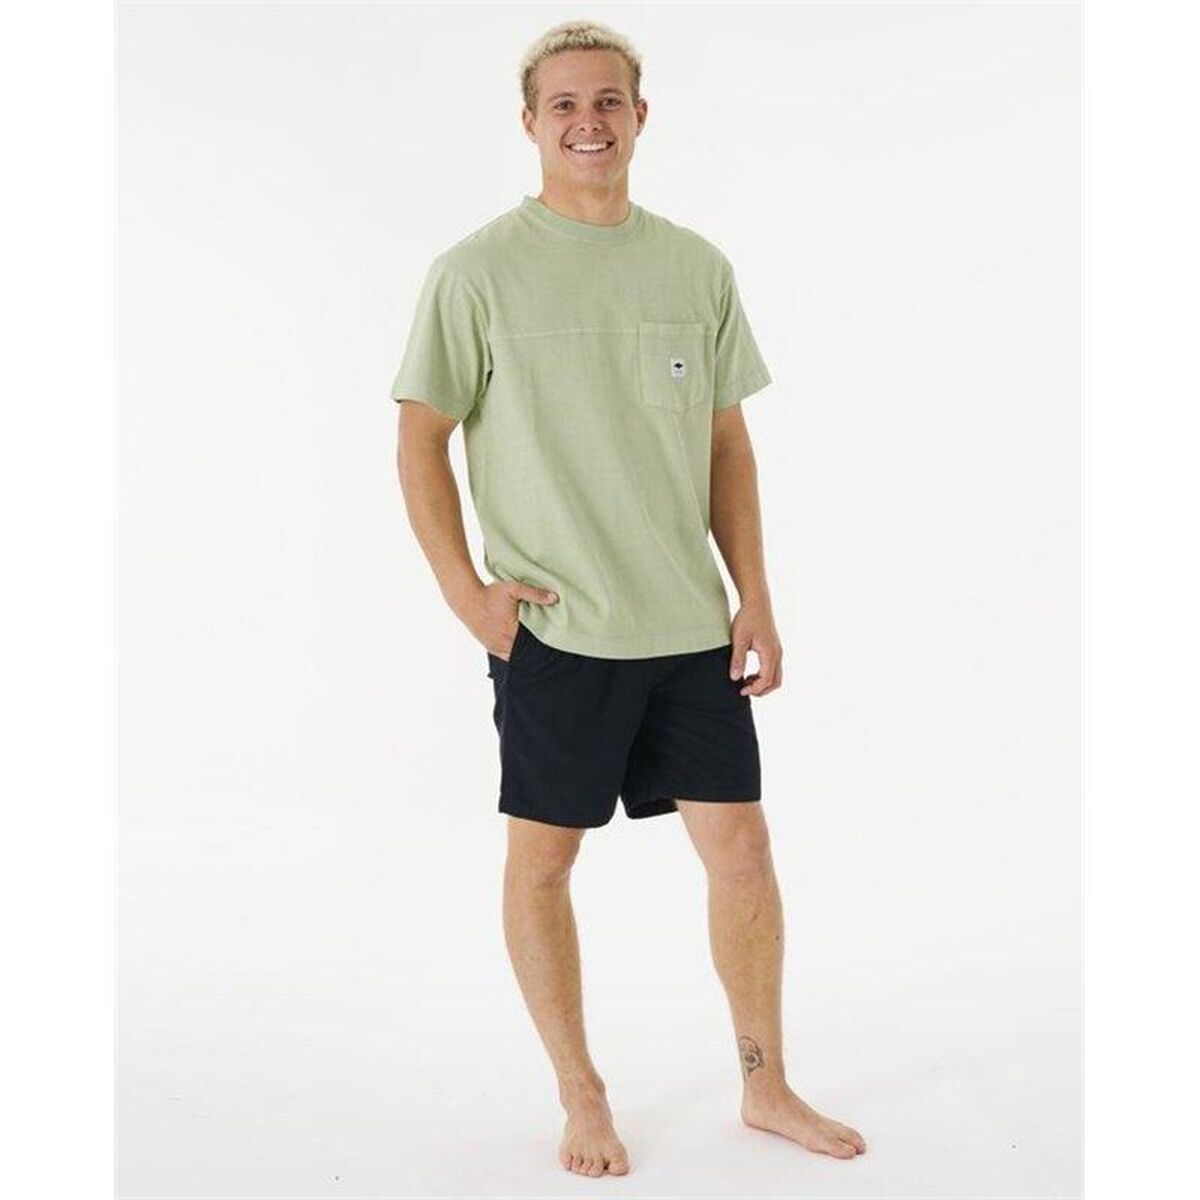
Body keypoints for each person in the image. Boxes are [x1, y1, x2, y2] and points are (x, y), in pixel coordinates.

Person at [391, 19, 866, 1178]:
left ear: (640, 116)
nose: (588, 121)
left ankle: (765, 1082)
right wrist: (468, 597)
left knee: (742, 849)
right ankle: (581, 1094)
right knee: (545, 864)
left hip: (689, 628)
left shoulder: (695, 268)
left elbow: (727, 445)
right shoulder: (475, 273)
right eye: (564, 105)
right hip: (557, 630)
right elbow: (419, 437)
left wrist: (754, 596)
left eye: (608, 101)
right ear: (530, 124)